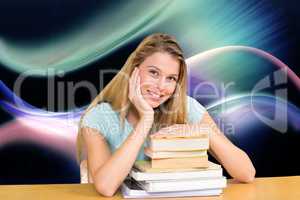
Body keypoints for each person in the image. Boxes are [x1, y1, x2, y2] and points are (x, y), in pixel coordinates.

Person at [76, 33, 256, 197]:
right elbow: (106, 188)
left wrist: (202, 131)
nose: (161, 86)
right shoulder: (98, 118)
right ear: (134, 71)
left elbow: (246, 173)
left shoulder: (187, 108)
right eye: (154, 73)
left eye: (171, 78)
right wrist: (145, 120)